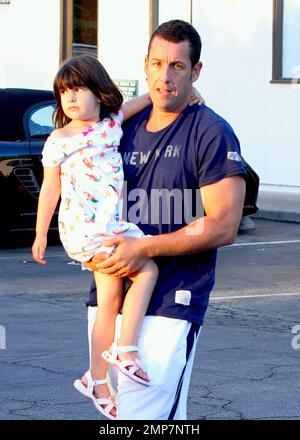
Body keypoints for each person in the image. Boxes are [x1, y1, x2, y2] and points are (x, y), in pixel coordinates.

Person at [84, 19, 247, 420]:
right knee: (129, 415)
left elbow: (224, 224)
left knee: (145, 418)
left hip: (173, 300)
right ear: (145, 65)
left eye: (177, 66)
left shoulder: (211, 132)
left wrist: (144, 248)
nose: (165, 76)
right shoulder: (121, 129)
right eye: (157, 64)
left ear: (196, 71)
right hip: (109, 295)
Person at [31, 54, 160, 420]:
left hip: (107, 228)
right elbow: (49, 189)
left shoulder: (110, 124)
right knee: (147, 271)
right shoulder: (58, 139)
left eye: (78, 90)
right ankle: (126, 350)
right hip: (90, 230)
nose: (70, 98)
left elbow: (145, 99)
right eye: (63, 93)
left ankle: (97, 379)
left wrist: (185, 91)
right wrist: (41, 233)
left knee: (109, 300)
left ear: (100, 94)